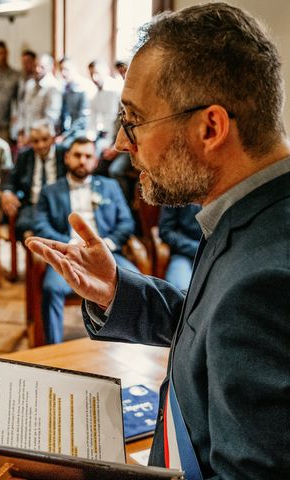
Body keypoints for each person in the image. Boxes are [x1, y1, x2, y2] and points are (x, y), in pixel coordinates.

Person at [26, 4, 290, 478]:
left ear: (209, 128)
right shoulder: (256, 208)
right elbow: (211, 330)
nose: (121, 144)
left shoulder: (266, 280)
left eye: (134, 119)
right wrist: (116, 290)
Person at [34, 137, 136, 344]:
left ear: (96, 161)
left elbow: (126, 222)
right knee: (51, 289)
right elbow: (41, 226)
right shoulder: (49, 191)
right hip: (67, 256)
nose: (82, 160)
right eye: (77, 155)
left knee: (136, 282)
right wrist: (71, 245)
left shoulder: (110, 186)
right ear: (67, 158)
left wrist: (107, 243)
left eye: (88, 156)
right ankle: (53, 351)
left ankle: (127, 344)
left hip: (109, 255)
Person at [1, 119, 66, 239]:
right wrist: (7, 193)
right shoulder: (24, 156)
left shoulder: (64, 153)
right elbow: (10, 180)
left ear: (52, 138)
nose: (41, 145)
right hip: (33, 205)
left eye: (45, 139)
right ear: (30, 141)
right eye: (36, 141)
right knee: (22, 226)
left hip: (58, 206)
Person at [158, 205, 202, 291]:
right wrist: (196, 248)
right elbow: (166, 231)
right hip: (183, 255)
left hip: (216, 254)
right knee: (182, 290)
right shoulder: (175, 192)